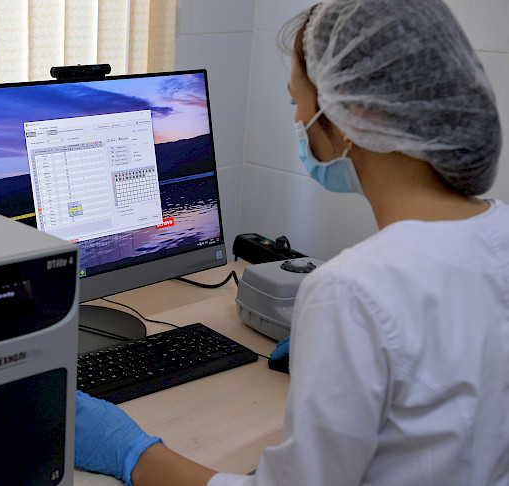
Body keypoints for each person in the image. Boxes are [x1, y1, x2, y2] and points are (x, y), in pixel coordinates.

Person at [74, 0, 509, 484]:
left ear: (351, 115)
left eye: (297, 102)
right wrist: (347, 358)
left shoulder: (352, 291)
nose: (299, 120)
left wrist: (133, 453)